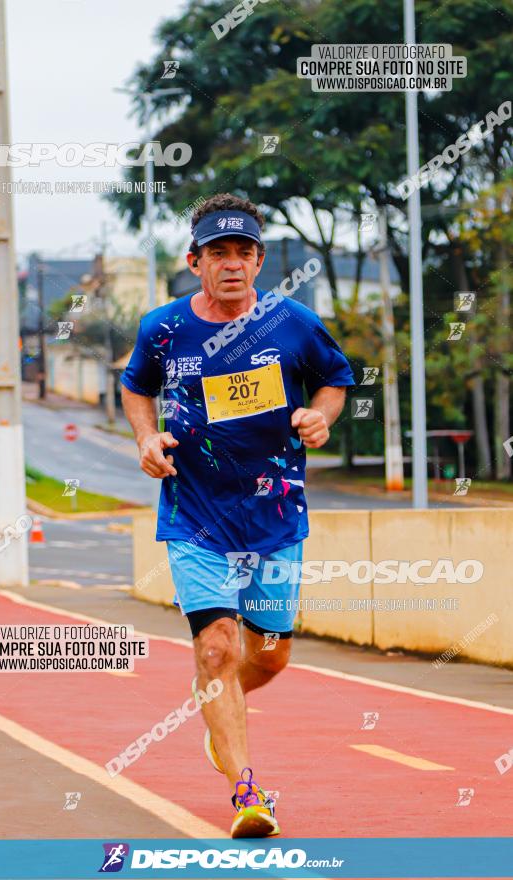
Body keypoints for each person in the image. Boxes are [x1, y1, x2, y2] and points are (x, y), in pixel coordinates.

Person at [121, 193, 354, 838]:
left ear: (258, 261)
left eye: (244, 253)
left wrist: (320, 416)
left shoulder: (293, 323)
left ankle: (220, 715)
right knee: (217, 649)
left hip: (275, 514)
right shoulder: (162, 328)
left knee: (270, 654)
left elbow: (336, 378)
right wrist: (145, 437)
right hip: (196, 513)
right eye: (218, 253)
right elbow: (137, 386)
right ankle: (247, 790)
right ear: (195, 262)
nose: (232, 264)